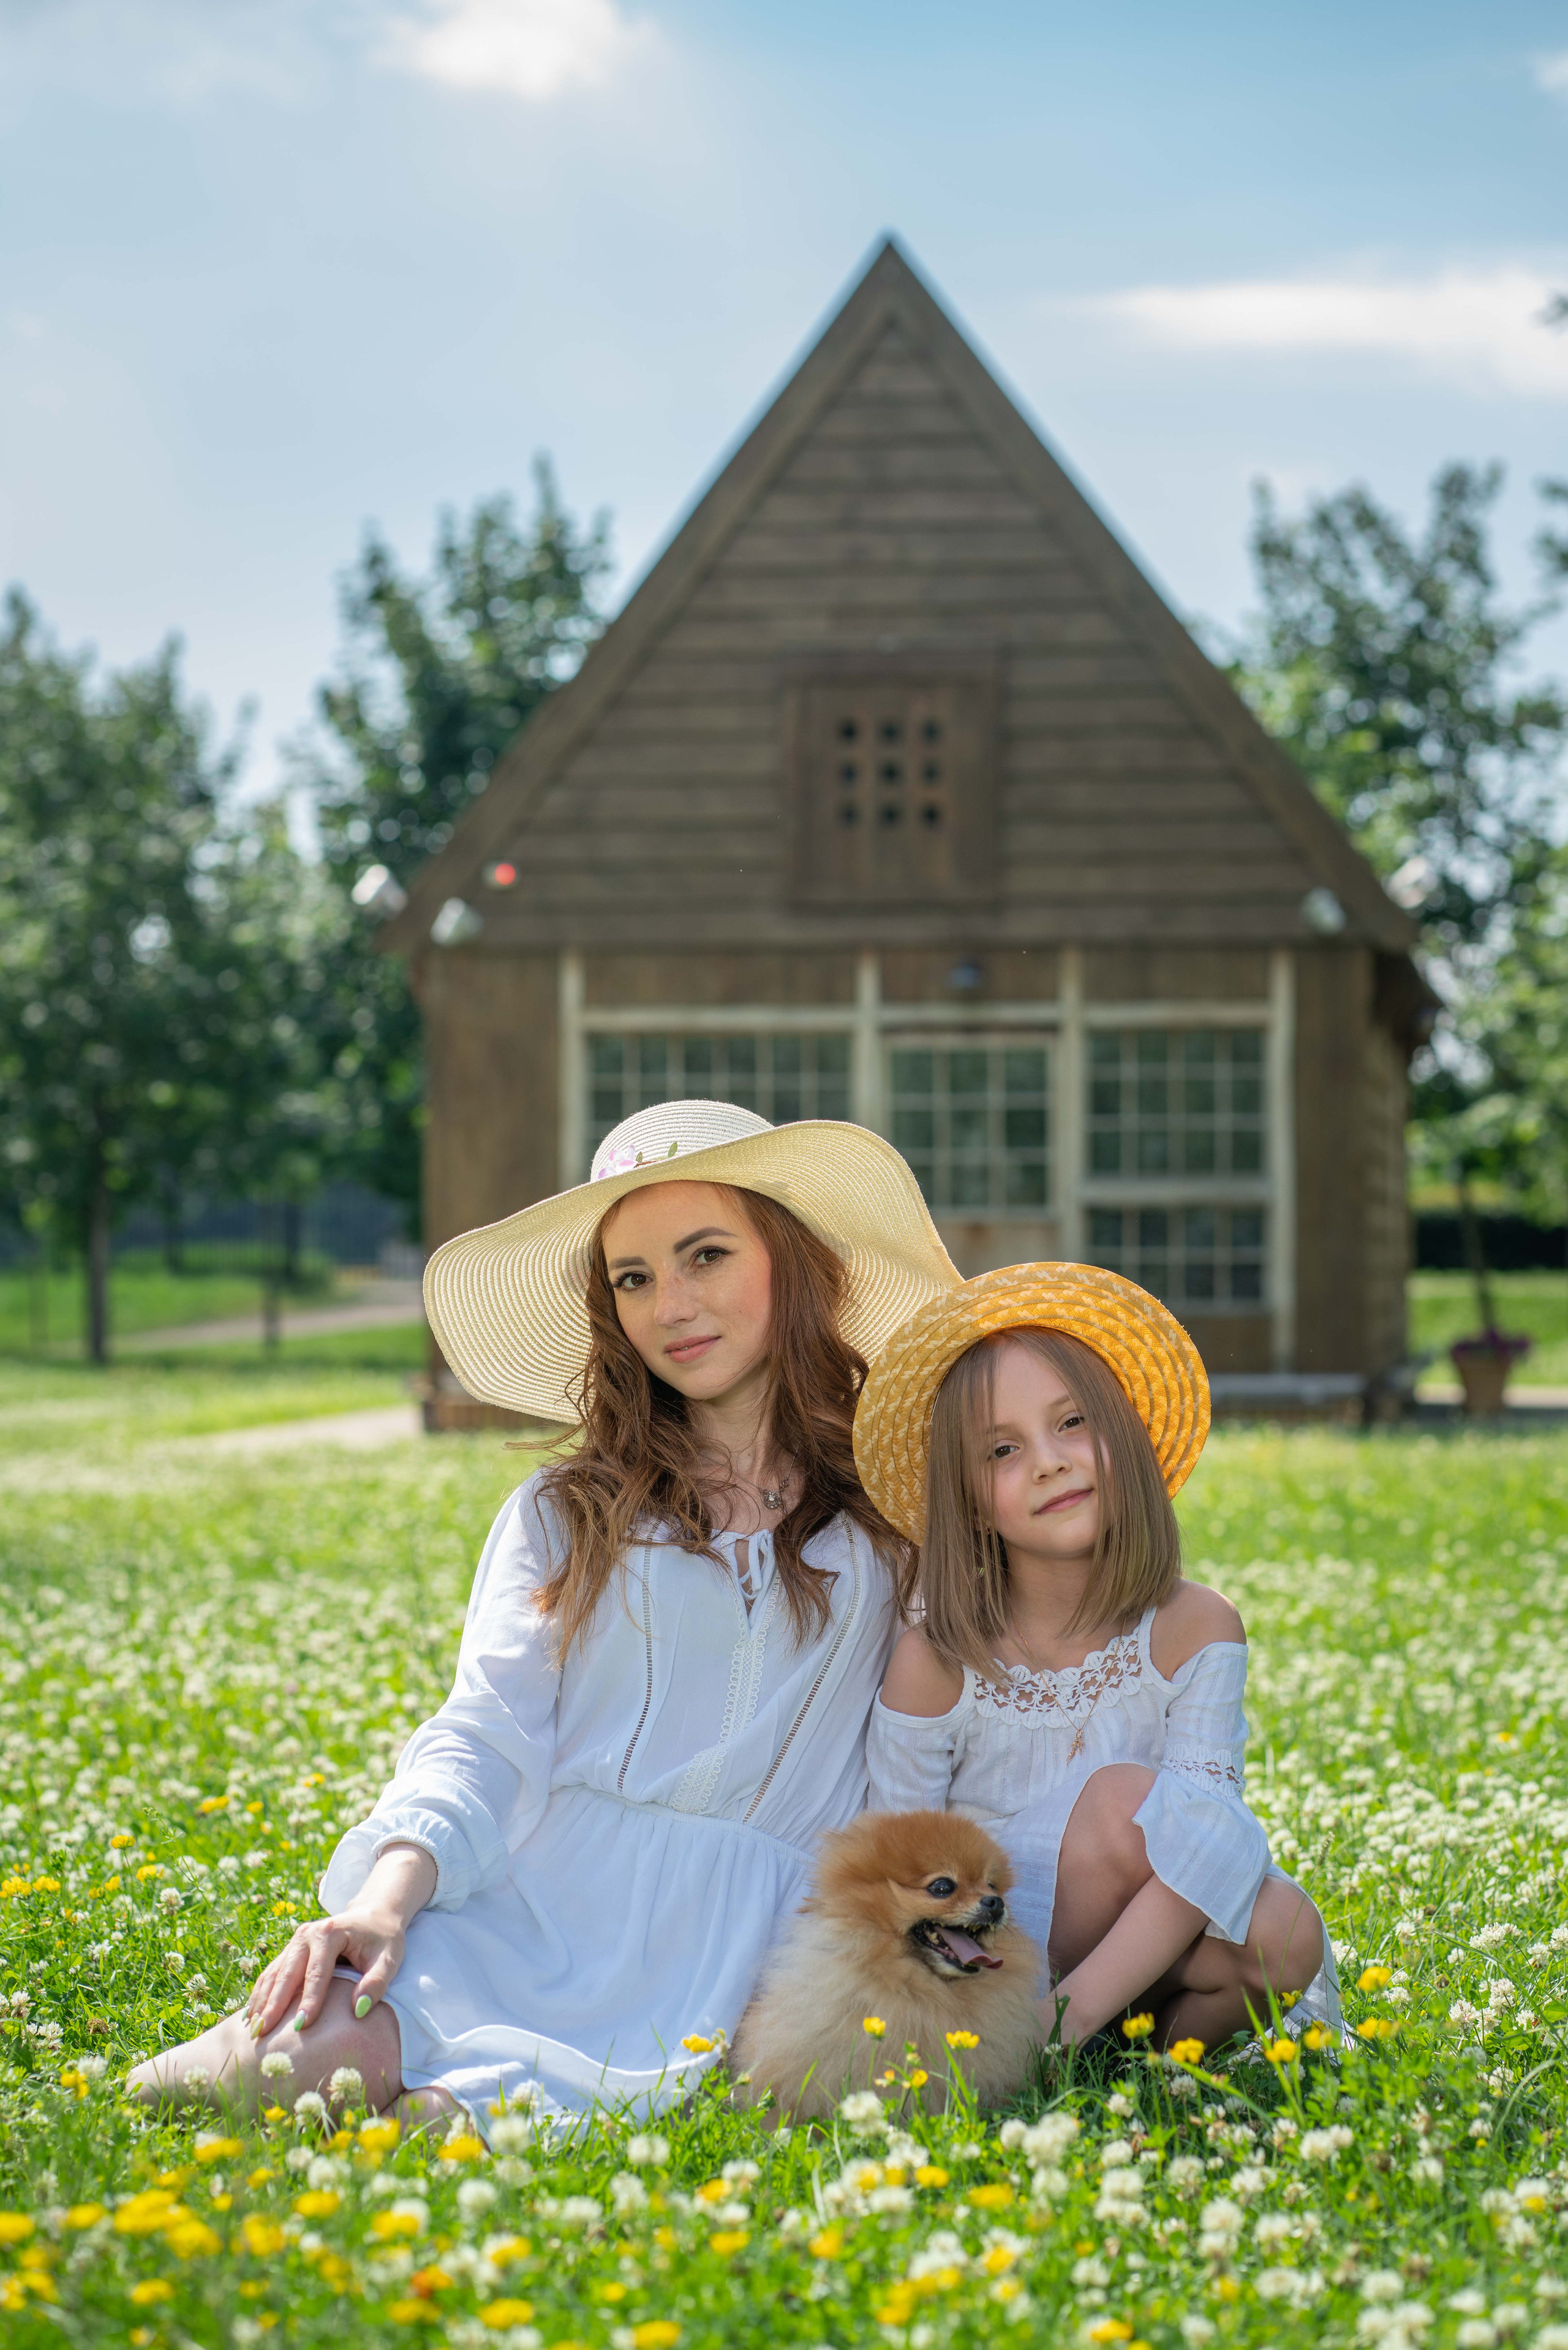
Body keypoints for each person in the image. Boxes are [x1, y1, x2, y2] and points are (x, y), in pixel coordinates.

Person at [129, 1099, 958, 2126]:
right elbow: (488, 1727)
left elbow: (942, 1745)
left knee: (445, 2131)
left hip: (754, 1935)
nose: (672, 1306)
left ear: (790, 1260)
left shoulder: (898, 1511)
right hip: (541, 1899)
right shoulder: (568, 1510)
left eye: (706, 1255)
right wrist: (380, 1903)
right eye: (635, 1277)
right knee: (237, 2081)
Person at [854, 1262, 1341, 2055]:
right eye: (1003, 1449)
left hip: (1121, 1966)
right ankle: (1024, 2047)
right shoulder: (936, 1661)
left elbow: (1210, 1843)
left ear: (1124, 1431)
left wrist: (1069, 2012)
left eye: (1073, 1421)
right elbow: (899, 1877)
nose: (1049, 1460)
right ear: (969, 1497)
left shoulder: (1195, 1625)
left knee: (1286, 1929)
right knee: (1124, 1806)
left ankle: (1100, 2059)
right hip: (992, 1956)